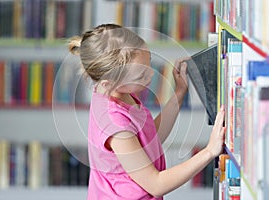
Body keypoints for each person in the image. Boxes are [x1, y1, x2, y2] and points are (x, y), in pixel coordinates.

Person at [68, 24, 225, 200]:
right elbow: (156, 185)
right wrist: (209, 152)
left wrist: (179, 93)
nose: (150, 76)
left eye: (149, 64)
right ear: (108, 83)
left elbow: (151, 139)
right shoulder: (116, 126)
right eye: (140, 76)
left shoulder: (117, 93)